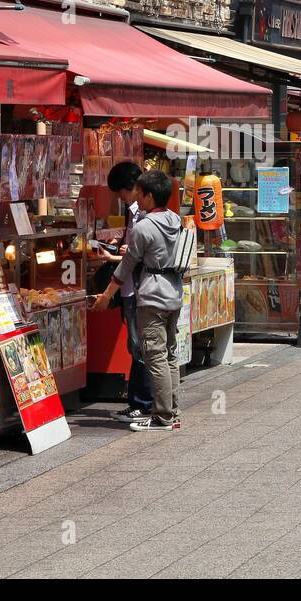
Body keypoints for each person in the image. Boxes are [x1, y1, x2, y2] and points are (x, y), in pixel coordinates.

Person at [93, 170, 185, 430]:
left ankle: (163, 416)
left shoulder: (144, 227)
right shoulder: (175, 220)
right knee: (168, 355)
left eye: (140, 193)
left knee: (154, 356)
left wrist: (106, 295)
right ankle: (172, 410)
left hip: (152, 295)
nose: (137, 197)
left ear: (149, 195)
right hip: (174, 292)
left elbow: (126, 266)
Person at [98, 161, 153, 422]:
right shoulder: (137, 212)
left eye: (121, 192)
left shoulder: (142, 213)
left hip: (136, 289)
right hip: (133, 288)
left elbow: (137, 255)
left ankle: (143, 404)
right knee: (137, 347)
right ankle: (138, 402)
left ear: (131, 188)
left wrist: (117, 258)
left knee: (139, 347)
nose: (121, 198)